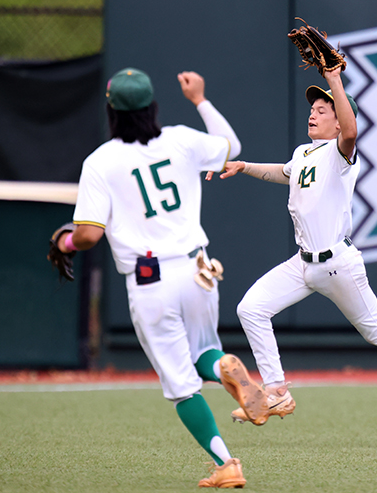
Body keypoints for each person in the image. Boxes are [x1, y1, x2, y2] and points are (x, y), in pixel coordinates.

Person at [214, 67, 377, 424]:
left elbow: (351, 132)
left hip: (337, 263)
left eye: (323, 110)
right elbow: (284, 173)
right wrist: (245, 167)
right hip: (303, 264)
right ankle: (275, 391)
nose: (313, 113)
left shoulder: (341, 153)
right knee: (251, 309)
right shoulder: (305, 152)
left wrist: (334, 79)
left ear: (338, 123)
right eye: (313, 108)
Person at [53, 67, 270, 488]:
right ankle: (224, 364)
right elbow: (232, 147)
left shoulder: (101, 161)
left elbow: (89, 234)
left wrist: (65, 242)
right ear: (152, 106)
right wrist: (200, 99)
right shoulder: (182, 139)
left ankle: (227, 463)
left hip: (151, 279)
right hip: (198, 268)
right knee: (203, 353)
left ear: (111, 110)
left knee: (181, 384)